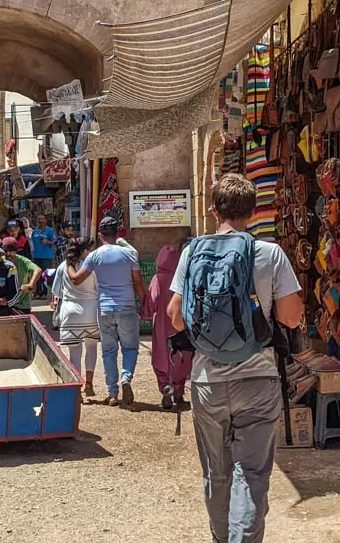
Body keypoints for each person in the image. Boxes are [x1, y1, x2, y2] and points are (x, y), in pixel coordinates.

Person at [167, 174, 304, 543]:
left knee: (217, 472)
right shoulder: (269, 254)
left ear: (214, 212)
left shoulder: (192, 252)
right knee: (252, 474)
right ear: (254, 212)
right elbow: (292, 317)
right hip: (258, 380)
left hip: (207, 382)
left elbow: (175, 315)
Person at [68, 217, 145, 406]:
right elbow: (137, 281)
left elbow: (77, 279)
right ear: (117, 233)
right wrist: (144, 300)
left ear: (100, 235)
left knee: (109, 351)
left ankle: (113, 394)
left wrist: (69, 263)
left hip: (104, 309)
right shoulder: (129, 254)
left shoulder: (94, 256)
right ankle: (126, 377)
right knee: (130, 348)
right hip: (126, 305)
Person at [143, 243, 191, 410]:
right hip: (180, 323)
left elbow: (153, 300)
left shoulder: (158, 278)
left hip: (162, 325)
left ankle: (165, 389)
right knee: (182, 357)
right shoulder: (183, 277)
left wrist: (145, 313)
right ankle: (179, 392)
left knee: (162, 355)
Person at [51, 237, 99, 398]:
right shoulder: (92, 267)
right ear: (84, 251)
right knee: (91, 347)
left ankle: (77, 389)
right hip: (91, 311)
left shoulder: (63, 266)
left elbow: (56, 293)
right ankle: (90, 383)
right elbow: (99, 290)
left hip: (70, 312)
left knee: (74, 353)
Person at [3, 237, 42, 315]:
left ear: (16, 251)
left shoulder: (22, 261)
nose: (8, 254)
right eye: (5, 251)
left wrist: (31, 284)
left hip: (22, 304)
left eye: (11, 251)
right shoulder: (0, 260)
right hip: (4, 302)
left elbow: (38, 270)